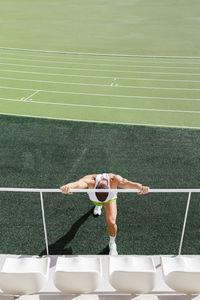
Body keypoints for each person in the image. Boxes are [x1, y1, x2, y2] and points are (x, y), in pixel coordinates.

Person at [60, 173, 149, 255]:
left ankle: (112, 243)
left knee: (111, 222)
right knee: (97, 204)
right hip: (95, 198)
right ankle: (98, 205)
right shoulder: (91, 180)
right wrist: (68, 187)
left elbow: (127, 183)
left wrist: (141, 187)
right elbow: (78, 184)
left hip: (109, 199)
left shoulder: (114, 180)